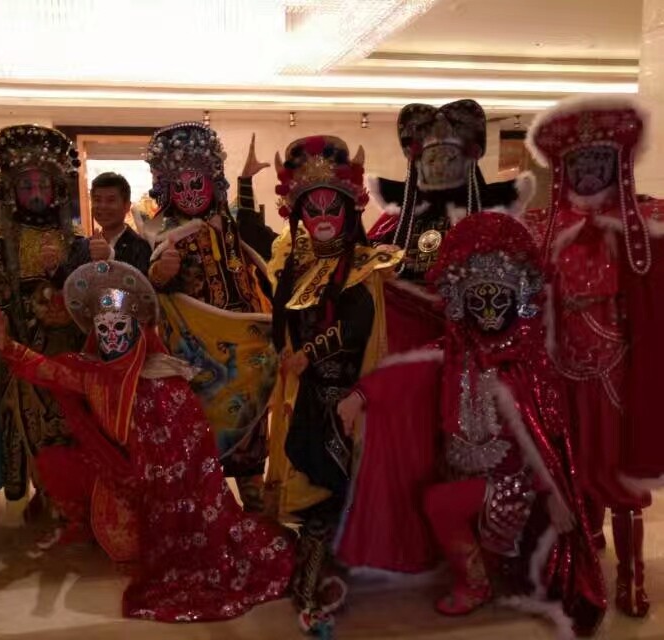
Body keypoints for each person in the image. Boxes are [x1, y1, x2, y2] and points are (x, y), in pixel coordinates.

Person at [337, 213, 606, 636]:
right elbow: (408, 371)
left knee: (440, 503)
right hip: (472, 474)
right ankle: (483, 566)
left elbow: (542, 439)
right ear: (462, 303)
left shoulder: (526, 364)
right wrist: (361, 395)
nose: (489, 312)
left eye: (499, 298)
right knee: (439, 498)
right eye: (477, 300)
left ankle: (475, 584)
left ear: (518, 298)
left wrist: (553, 494)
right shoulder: (458, 348)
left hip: (517, 485)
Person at [0, 260, 294, 622]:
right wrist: (6, 345)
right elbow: (49, 371)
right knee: (59, 467)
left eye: (119, 326)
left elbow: (192, 456)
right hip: (118, 475)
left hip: (162, 491)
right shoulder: (92, 372)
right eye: (103, 328)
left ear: (137, 330)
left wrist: (152, 483)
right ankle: (90, 523)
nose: (111, 336)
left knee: (136, 548)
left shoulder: (162, 379)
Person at [524, 96, 664, 617]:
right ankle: (582, 561)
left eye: (599, 160)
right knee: (572, 466)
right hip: (559, 369)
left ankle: (631, 576)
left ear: (618, 164)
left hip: (616, 368)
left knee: (617, 472)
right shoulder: (540, 225)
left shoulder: (643, 220)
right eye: (578, 161)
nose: (588, 171)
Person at [265, 135, 402, 634]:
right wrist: (286, 352)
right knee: (313, 480)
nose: (322, 216)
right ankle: (315, 574)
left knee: (331, 483)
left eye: (331, 207)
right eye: (312, 208)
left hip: (347, 394)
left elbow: (356, 326)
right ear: (298, 215)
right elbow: (282, 323)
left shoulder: (363, 264)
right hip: (307, 393)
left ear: (349, 210)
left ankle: (316, 581)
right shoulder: (298, 265)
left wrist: (309, 353)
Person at [0, 124, 86, 519]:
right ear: (11, 189)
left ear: (56, 188)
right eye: (26, 186)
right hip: (17, 346)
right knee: (25, 421)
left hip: (68, 349)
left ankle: (67, 491)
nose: (35, 193)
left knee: (68, 421)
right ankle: (41, 489)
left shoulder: (76, 238)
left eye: (42, 185)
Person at [145, 124, 276, 513]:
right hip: (197, 351)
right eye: (181, 187)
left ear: (213, 182)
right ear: (168, 190)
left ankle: (253, 494)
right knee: (201, 427)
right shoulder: (164, 233)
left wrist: (246, 181)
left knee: (251, 424)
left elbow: (260, 242)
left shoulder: (230, 222)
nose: (190, 194)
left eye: (197, 184)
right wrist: (161, 274)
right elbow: (153, 286)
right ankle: (208, 504)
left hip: (246, 344)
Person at [367, 99, 535, 354]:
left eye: (449, 157)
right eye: (432, 158)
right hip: (407, 336)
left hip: (476, 333)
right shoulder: (395, 222)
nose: (440, 166)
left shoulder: (495, 222)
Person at [86, 171, 152, 273]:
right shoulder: (83, 246)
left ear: (127, 206)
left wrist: (110, 256)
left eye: (111, 200)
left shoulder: (141, 247)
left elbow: (140, 281)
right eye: (97, 200)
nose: (103, 206)